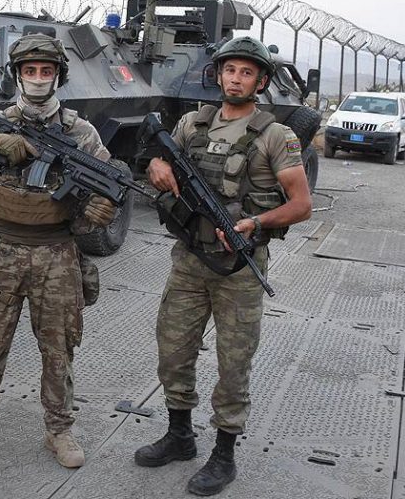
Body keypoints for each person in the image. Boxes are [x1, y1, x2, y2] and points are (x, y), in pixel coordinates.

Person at [136, 36, 312, 496]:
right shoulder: (192, 123)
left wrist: (255, 223)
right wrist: (155, 163)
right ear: (218, 75)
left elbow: (301, 205)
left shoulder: (276, 136)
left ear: (261, 82)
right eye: (229, 70)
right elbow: (154, 156)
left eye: (246, 72)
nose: (235, 79)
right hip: (188, 261)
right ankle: (179, 435)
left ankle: (224, 454)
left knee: (233, 363)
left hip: (239, 270)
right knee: (173, 350)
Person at [0, 34, 116, 468]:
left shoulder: (81, 132)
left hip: (56, 254)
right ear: (16, 75)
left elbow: (105, 187)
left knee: (58, 349)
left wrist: (99, 209)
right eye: (30, 71)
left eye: (46, 71)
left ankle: (59, 430)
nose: (38, 78)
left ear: (58, 76)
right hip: (0, 251)